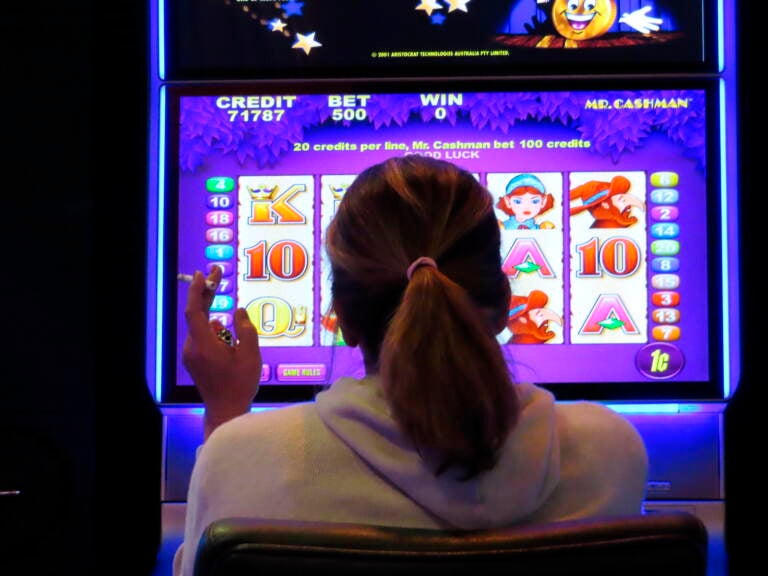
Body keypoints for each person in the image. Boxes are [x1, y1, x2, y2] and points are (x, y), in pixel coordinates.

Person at [173, 155, 648, 576]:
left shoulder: (243, 455)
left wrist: (224, 412)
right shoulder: (608, 450)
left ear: (342, 317)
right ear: (505, 305)